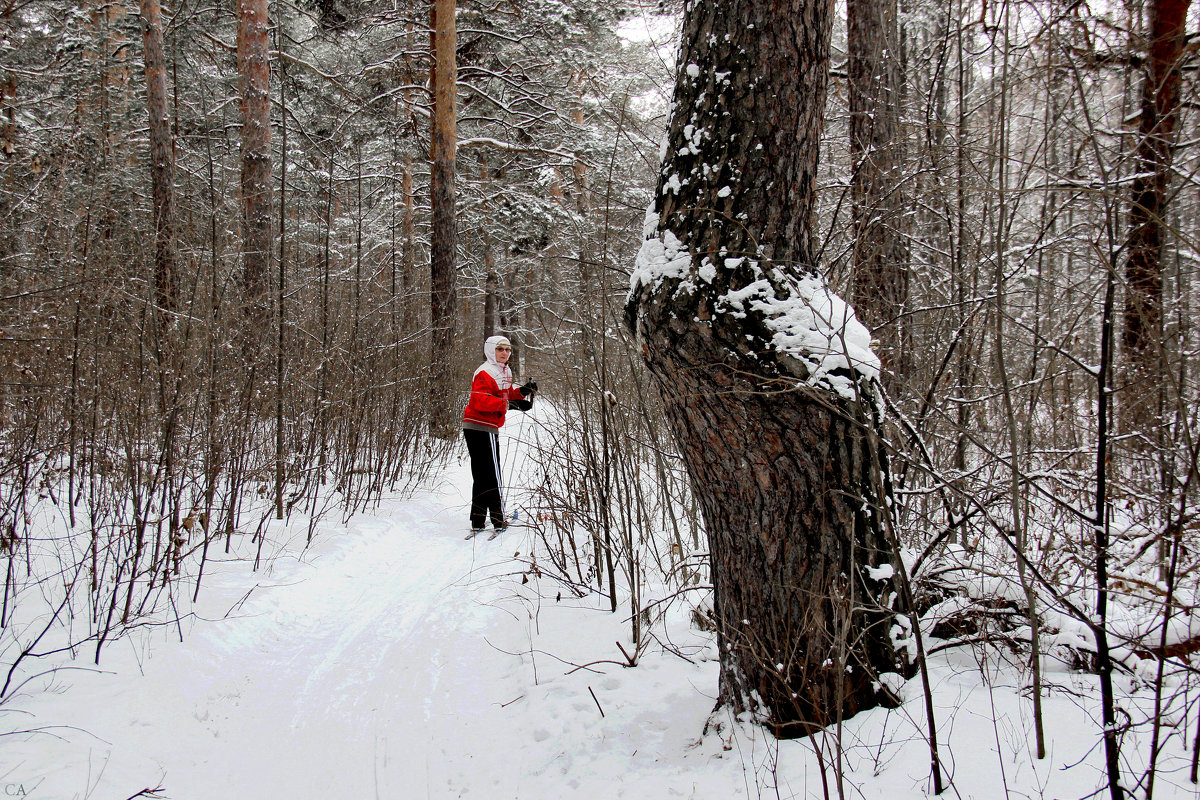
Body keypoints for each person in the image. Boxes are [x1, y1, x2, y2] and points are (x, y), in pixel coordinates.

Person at [462, 335, 537, 538]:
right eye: (500, 349)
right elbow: (480, 401)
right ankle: (497, 519)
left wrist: (521, 392)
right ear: (490, 350)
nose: (505, 353)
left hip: (479, 426)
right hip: (481, 426)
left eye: (507, 349)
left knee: (482, 474)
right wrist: (509, 405)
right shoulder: (485, 372)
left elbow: (504, 392)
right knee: (491, 473)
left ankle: (478, 520)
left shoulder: (503, 371)